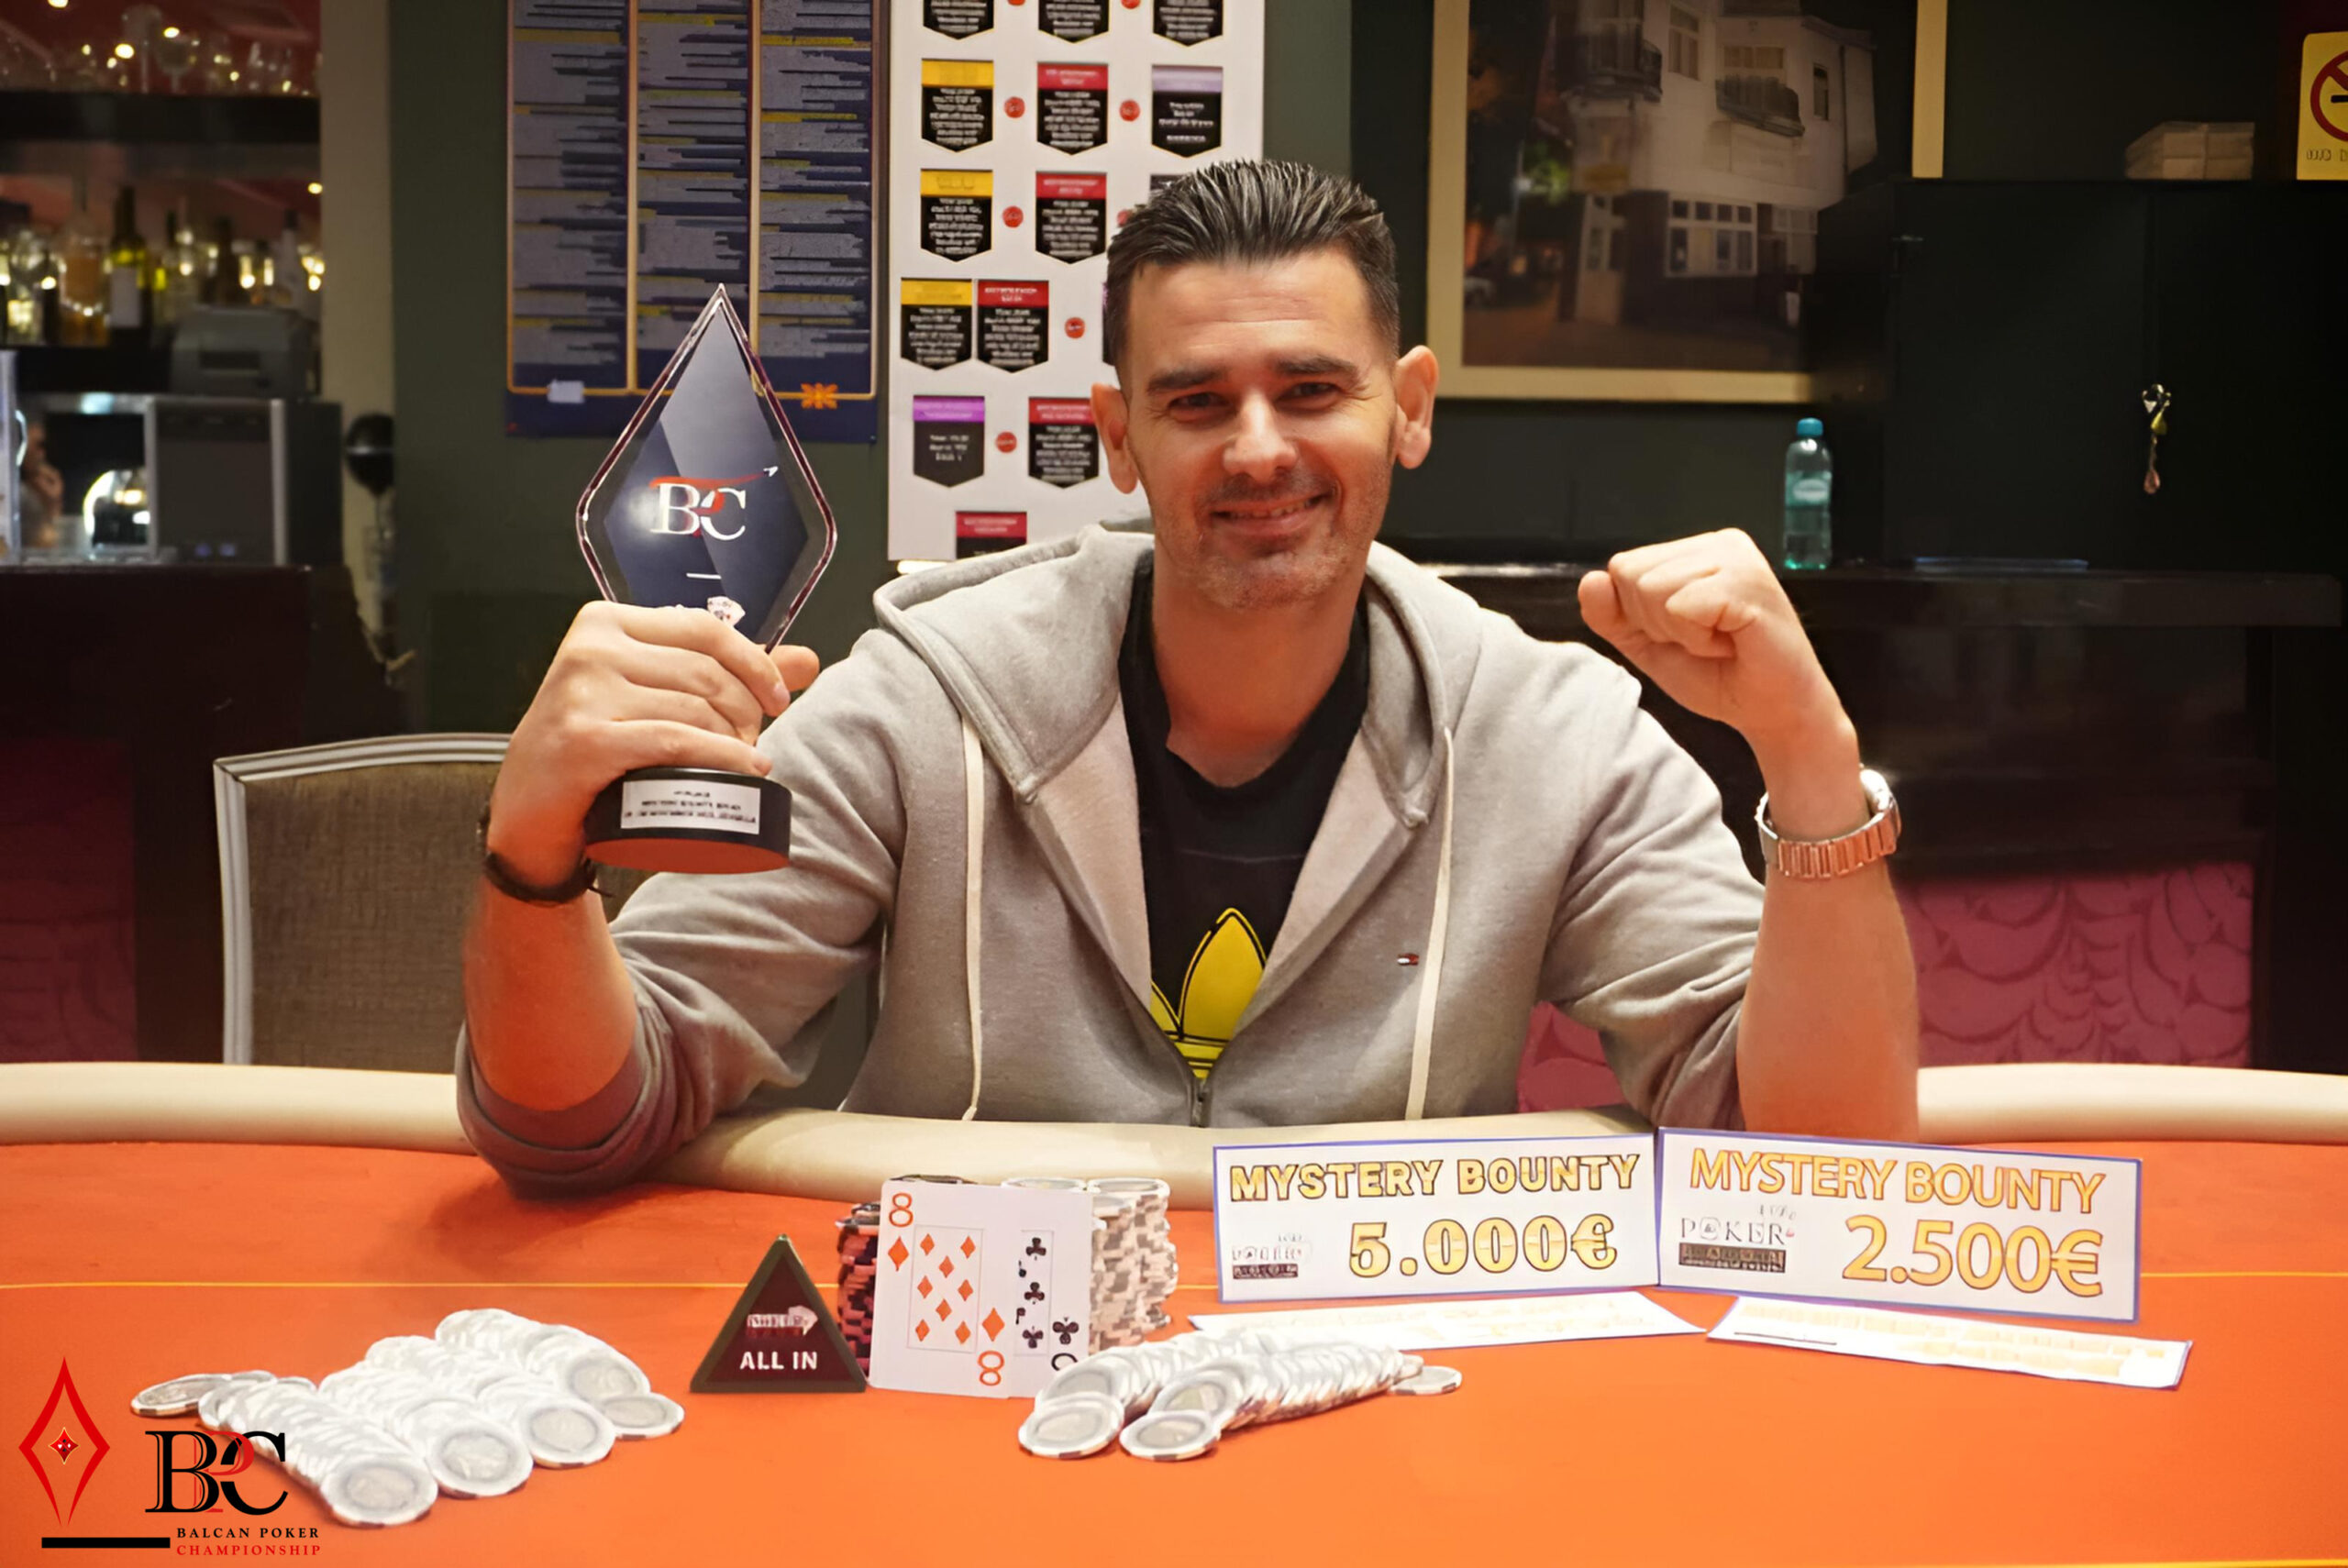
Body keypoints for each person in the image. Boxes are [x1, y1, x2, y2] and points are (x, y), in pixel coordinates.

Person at [460, 160, 1917, 1195]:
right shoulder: (922, 698)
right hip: (970, 1407)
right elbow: (581, 1120)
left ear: (1408, 407)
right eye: (1199, 401)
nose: (1260, 448)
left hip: (1390, 1405)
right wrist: (530, 858)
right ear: (1118, 435)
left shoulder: (1554, 733)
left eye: (1313, 389)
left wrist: (1809, 757)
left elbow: (1814, 1152)